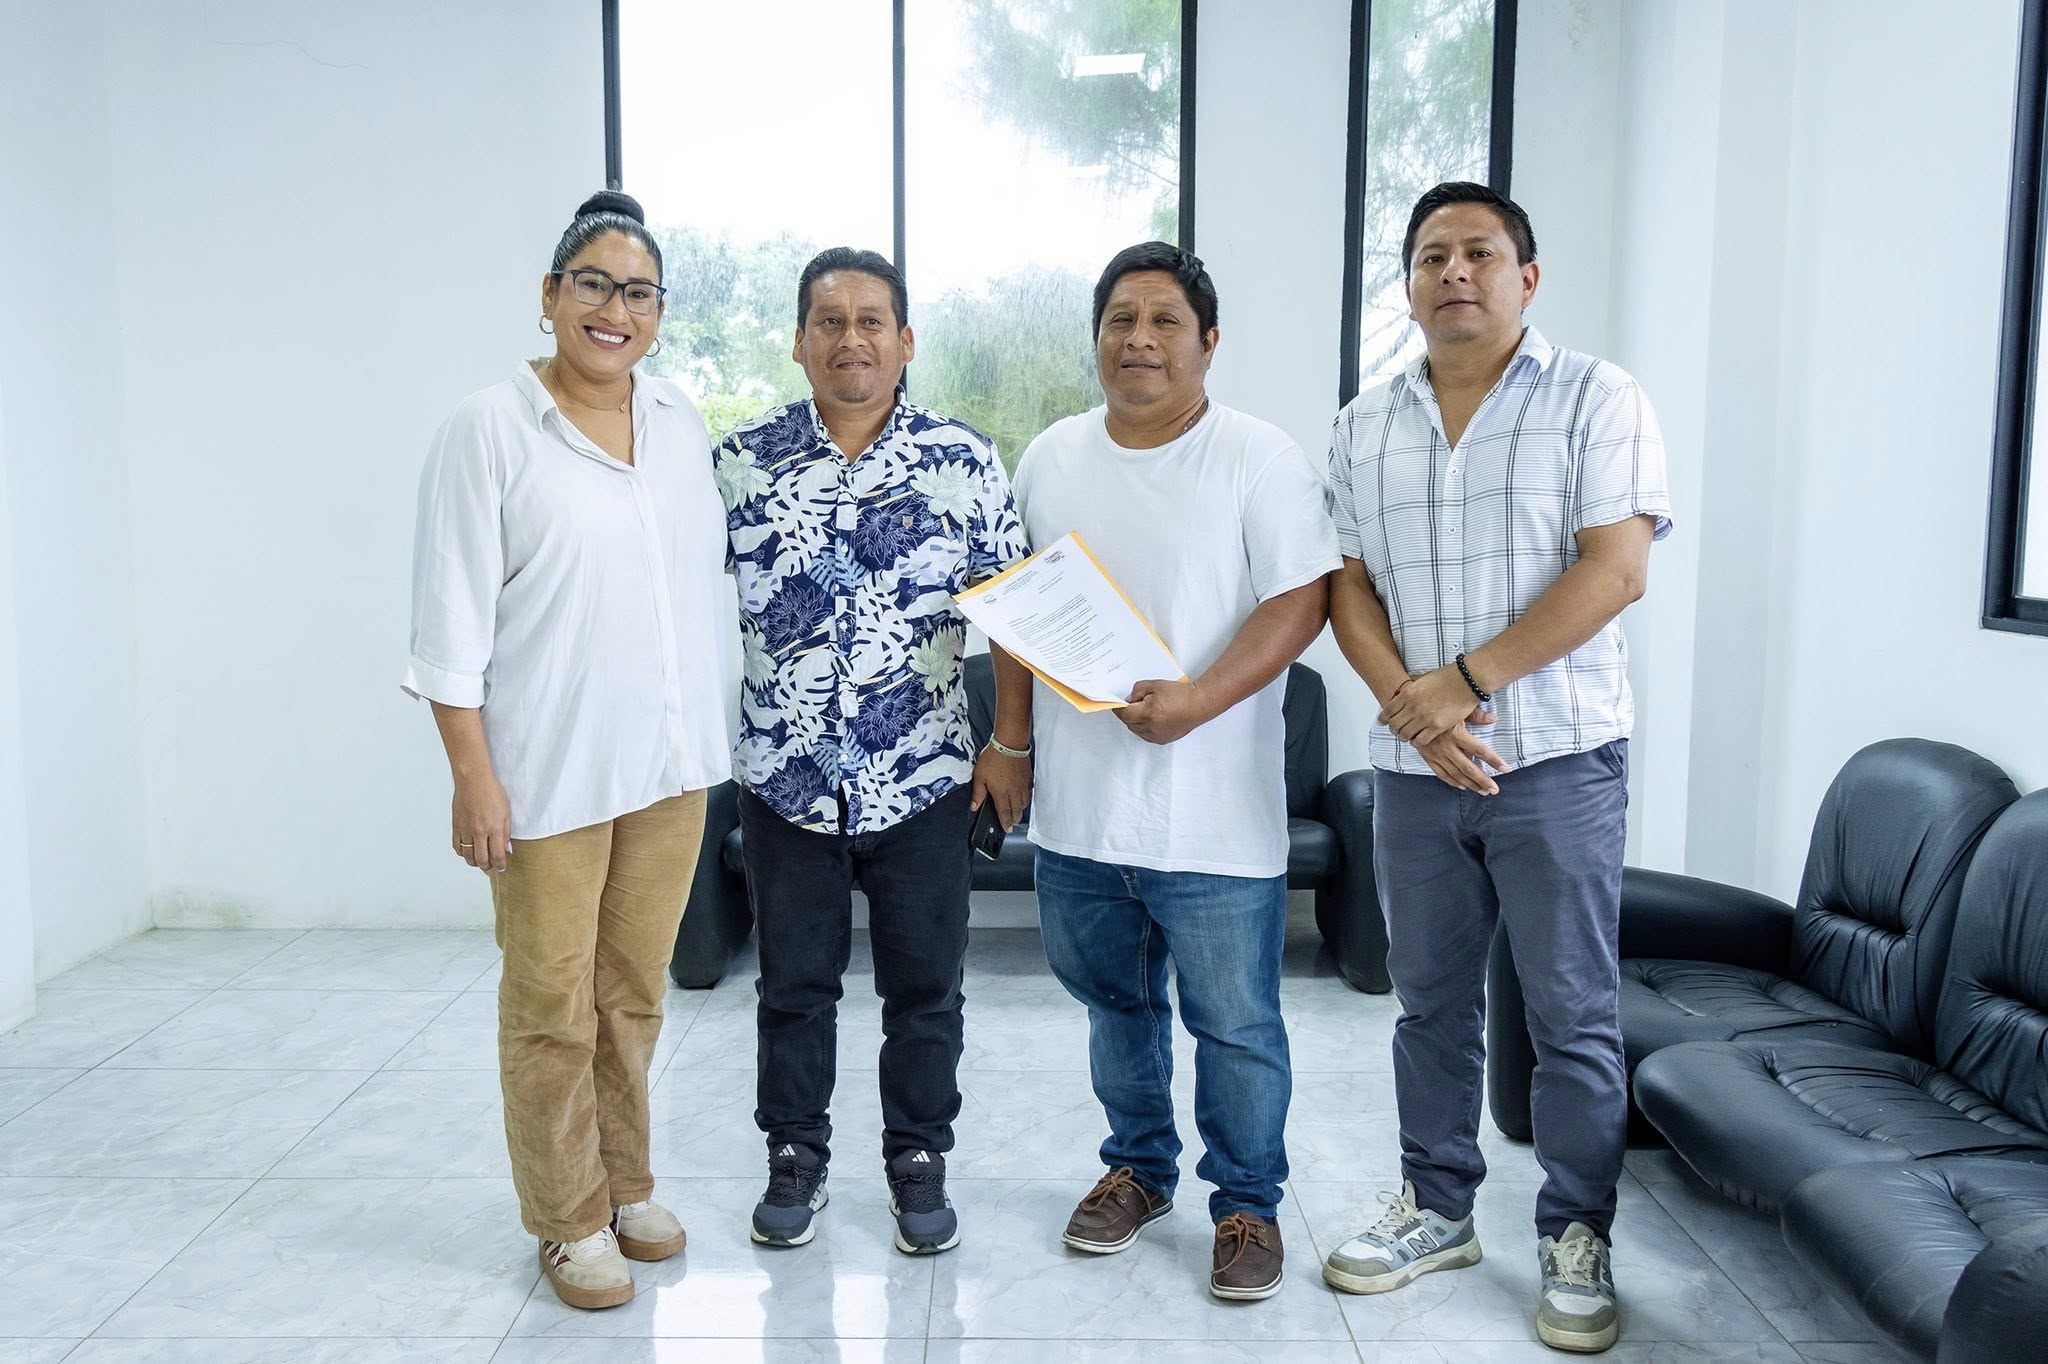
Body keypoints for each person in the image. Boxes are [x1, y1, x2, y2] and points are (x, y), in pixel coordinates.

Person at [1320, 181, 1673, 1354]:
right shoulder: (1363, 421)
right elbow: (1346, 587)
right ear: (1407, 285)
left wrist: (1461, 681)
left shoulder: (1595, 396)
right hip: (1413, 771)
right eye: (1430, 256)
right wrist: (1414, 710)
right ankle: (1437, 1208)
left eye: (1478, 252)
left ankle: (1575, 1233)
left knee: (1569, 1014)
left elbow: (1614, 568)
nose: (1453, 272)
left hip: (1557, 760)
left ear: (1526, 276)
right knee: (1428, 1002)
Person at [403, 190, 732, 1312]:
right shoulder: (490, 428)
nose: (614, 309)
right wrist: (472, 778)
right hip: (544, 775)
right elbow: (448, 622)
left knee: (631, 995)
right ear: (550, 296)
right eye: (592, 284)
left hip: (668, 768)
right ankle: (566, 1215)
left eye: (638, 293)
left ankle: (625, 1184)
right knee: (551, 1003)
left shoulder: (678, 419)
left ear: (658, 315)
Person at [1002, 242, 1339, 1300]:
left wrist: (1197, 698)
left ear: (1208, 342)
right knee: (1116, 1007)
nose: (1138, 339)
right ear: (1097, 336)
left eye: (1164, 321)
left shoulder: (1257, 457)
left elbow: (1302, 599)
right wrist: (1010, 748)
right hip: (1080, 811)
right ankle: (1139, 1171)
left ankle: (1246, 1202)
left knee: (1234, 1025)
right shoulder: (1050, 456)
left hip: (1215, 816)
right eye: (1119, 319)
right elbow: (1014, 609)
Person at [714, 247, 1031, 1256]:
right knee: (792, 989)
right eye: (829, 320)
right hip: (785, 777)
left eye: (870, 320)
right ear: (799, 341)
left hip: (925, 776)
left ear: (904, 340)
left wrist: (1009, 743)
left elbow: (1011, 612)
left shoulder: (962, 459)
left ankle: (917, 1157)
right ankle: (794, 1156)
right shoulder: (737, 463)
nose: (850, 338)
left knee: (926, 989)